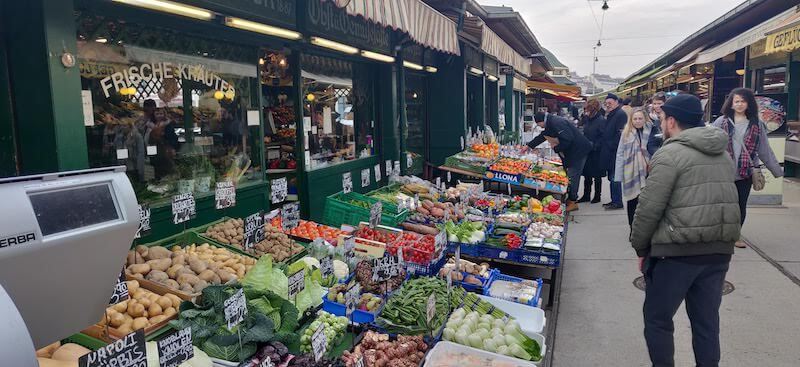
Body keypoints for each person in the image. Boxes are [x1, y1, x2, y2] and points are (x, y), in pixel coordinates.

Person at [631, 94, 741, 367]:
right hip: (718, 251)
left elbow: (649, 208)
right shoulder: (723, 154)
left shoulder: (669, 153)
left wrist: (641, 247)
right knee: (706, 323)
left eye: (662, 117)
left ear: (671, 121)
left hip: (676, 252)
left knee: (657, 320)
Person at [711, 88, 783, 248]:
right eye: (736, 101)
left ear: (749, 103)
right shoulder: (720, 122)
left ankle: (735, 235)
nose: (739, 104)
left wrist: (776, 170)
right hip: (723, 171)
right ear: (730, 103)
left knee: (740, 205)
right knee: (721, 205)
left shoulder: (757, 124)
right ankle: (720, 233)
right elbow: (710, 145)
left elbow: (764, 149)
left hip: (746, 172)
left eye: (743, 101)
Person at [527, 111, 592, 212]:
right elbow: (543, 136)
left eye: (539, 125)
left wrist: (556, 148)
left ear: (541, 121)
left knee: (572, 175)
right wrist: (529, 145)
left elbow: (568, 139)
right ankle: (570, 198)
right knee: (570, 174)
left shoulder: (556, 122)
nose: (540, 127)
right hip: (572, 151)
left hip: (578, 151)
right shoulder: (550, 123)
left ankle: (573, 201)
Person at [613, 107, 653, 227]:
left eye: (640, 118)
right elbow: (620, 153)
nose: (637, 121)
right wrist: (619, 175)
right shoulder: (626, 133)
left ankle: (644, 228)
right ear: (631, 120)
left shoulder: (651, 130)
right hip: (631, 172)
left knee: (646, 203)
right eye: (635, 119)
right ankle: (632, 228)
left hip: (648, 171)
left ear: (644, 119)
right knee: (632, 202)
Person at [601, 93, 628, 210]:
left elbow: (620, 134)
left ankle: (617, 202)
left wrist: (612, 145)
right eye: (606, 104)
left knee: (614, 177)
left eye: (610, 103)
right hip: (609, 151)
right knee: (611, 177)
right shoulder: (612, 114)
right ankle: (614, 200)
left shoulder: (620, 114)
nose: (608, 105)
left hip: (615, 152)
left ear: (617, 102)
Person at [577, 99, 607, 203]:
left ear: (594, 109)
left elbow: (603, 137)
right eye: (585, 109)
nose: (586, 111)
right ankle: (586, 195)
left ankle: (597, 196)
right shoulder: (586, 119)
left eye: (588, 109)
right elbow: (581, 129)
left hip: (596, 152)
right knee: (587, 174)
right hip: (587, 150)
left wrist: (594, 145)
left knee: (597, 175)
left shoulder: (601, 120)